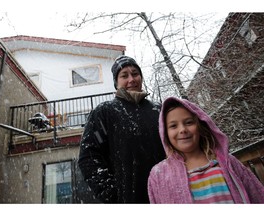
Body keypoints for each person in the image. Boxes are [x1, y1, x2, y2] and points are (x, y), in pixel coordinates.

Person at [78, 55, 166, 203]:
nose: (131, 79)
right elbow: (89, 157)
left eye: (135, 74)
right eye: (124, 75)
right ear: (116, 83)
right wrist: (112, 194)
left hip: (167, 196)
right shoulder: (104, 112)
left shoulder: (159, 110)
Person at [148, 96, 264, 204]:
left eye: (189, 122)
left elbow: (257, 195)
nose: (182, 129)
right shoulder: (158, 175)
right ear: (165, 133)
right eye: (173, 126)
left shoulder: (229, 163)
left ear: (200, 126)